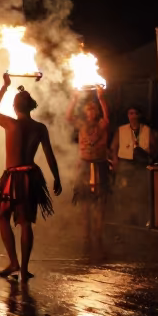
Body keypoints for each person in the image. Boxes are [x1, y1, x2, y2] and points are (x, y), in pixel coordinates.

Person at [0, 74, 62, 280]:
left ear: (15, 106)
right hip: (30, 176)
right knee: (25, 222)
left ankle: (15, 263)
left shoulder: (11, 124)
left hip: (13, 177)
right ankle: (22, 267)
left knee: (3, 216)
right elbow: (49, 155)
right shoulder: (40, 127)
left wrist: (4, 87)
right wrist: (57, 177)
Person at [66, 87, 113, 253]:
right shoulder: (82, 124)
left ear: (97, 111)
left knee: (100, 203)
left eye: (93, 109)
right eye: (88, 109)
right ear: (85, 112)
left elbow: (107, 117)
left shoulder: (102, 124)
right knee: (84, 202)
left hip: (99, 165)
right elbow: (68, 117)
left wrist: (101, 97)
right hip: (85, 165)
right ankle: (86, 235)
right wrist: (74, 98)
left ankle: (98, 234)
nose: (91, 112)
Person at [109, 106, 158, 225]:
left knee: (140, 193)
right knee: (123, 193)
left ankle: (140, 218)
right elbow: (114, 147)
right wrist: (115, 162)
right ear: (128, 116)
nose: (133, 116)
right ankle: (124, 218)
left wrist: (149, 155)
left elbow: (155, 148)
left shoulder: (147, 130)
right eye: (130, 113)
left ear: (139, 115)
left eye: (135, 113)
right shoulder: (121, 130)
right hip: (125, 164)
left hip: (141, 164)